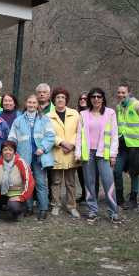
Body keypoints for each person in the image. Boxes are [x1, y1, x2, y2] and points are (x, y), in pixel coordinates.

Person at [75, 88, 120, 223]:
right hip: (87, 153)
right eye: (93, 97)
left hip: (103, 153)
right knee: (89, 183)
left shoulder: (110, 113)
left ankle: (113, 212)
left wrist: (113, 155)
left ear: (103, 98)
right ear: (90, 99)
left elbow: (114, 135)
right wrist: (78, 153)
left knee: (108, 182)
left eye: (98, 96)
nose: (96, 99)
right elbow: (79, 136)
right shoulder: (83, 114)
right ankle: (92, 211)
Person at [8, 94, 55, 220]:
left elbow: (51, 136)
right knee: (26, 182)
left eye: (34, 103)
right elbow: (12, 137)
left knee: (40, 183)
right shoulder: (18, 120)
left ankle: (43, 209)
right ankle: (28, 207)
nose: (32, 105)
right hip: (24, 156)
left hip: (40, 157)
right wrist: (11, 150)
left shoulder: (44, 119)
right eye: (29, 102)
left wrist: (43, 148)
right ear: (26, 103)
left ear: (37, 105)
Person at [114, 84, 139, 209]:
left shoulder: (136, 105)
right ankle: (119, 199)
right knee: (117, 171)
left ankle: (133, 199)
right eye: (119, 92)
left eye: (123, 92)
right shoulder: (118, 107)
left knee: (134, 173)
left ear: (129, 93)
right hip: (122, 146)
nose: (121, 95)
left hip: (136, 146)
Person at [0, 141, 34, 223]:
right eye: (5, 150)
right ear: (2, 151)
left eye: (10, 150)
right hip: (2, 193)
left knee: (14, 207)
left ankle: (18, 212)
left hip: (16, 194)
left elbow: (30, 182)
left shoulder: (20, 162)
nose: (7, 152)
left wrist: (21, 197)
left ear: (14, 152)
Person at [47, 87, 81, 218]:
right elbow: (48, 133)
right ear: (54, 100)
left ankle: (72, 206)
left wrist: (71, 144)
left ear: (66, 100)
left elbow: (79, 131)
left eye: (63, 97)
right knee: (56, 181)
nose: (60, 100)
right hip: (57, 151)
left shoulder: (75, 114)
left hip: (71, 152)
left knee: (71, 182)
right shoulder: (48, 116)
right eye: (57, 97)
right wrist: (61, 142)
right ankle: (55, 205)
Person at [76, 91, 93, 203]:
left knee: (91, 174)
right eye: (81, 99)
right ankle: (84, 194)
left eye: (85, 99)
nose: (83, 100)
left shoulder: (93, 113)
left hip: (91, 148)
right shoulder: (75, 113)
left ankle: (92, 195)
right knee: (81, 173)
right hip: (78, 147)